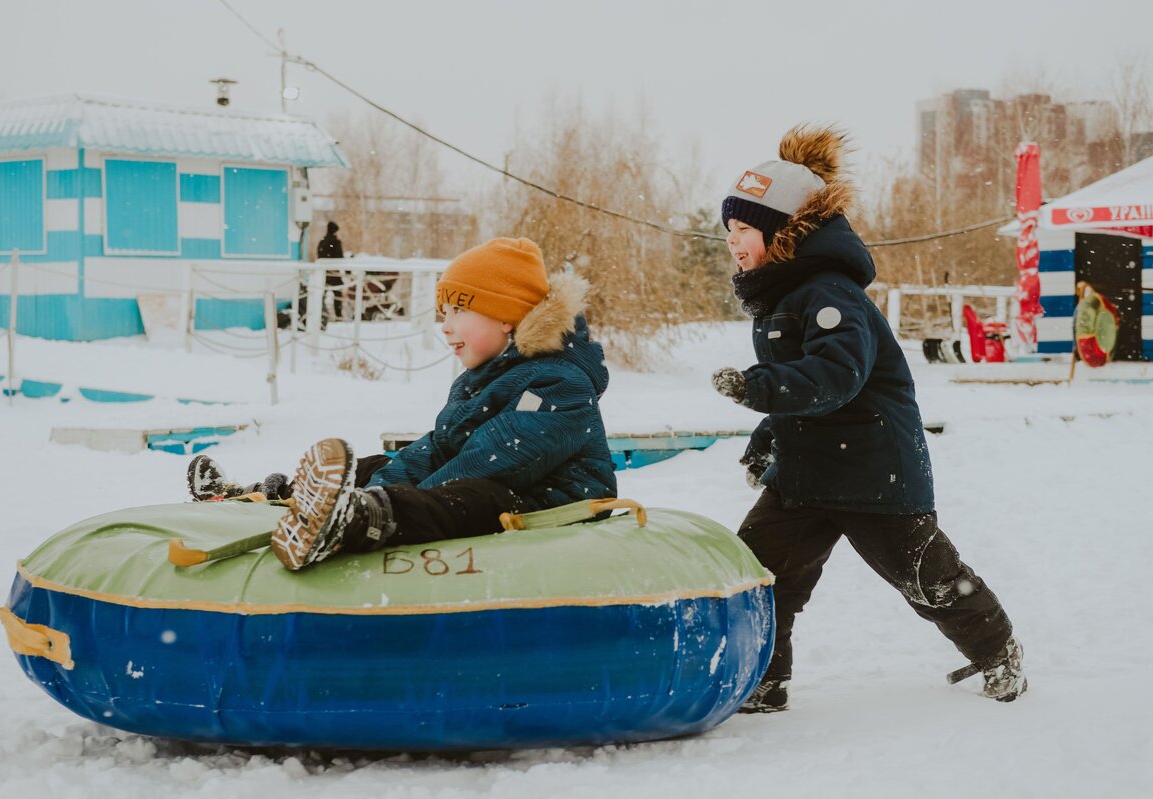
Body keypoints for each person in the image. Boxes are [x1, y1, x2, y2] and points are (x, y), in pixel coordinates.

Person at [710, 125, 1026, 712]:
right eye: (728, 229)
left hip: (872, 471)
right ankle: (765, 681)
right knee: (761, 575)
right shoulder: (785, 297)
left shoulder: (830, 294)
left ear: (784, 233)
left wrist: (756, 389)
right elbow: (800, 388)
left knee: (927, 579)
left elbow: (833, 380)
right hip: (805, 476)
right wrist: (767, 439)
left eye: (745, 229)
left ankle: (999, 652)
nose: (732, 241)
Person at [189, 237, 616, 571]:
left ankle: (358, 520)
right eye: (441, 313)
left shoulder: (559, 383)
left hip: (547, 506)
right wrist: (378, 479)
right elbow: (437, 449)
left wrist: (390, 499)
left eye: (457, 311)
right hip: (492, 484)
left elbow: (489, 464)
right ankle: (279, 496)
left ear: (506, 316)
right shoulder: (484, 378)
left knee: (476, 497)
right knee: (376, 463)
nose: (444, 327)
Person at [316, 221, 347, 321]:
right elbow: (340, 257)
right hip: (333, 272)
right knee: (337, 293)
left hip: (324, 272)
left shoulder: (322, 241)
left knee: (321, 294)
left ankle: (320, 314)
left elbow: (319, 256)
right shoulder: (335, 242)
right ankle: (338, 316)